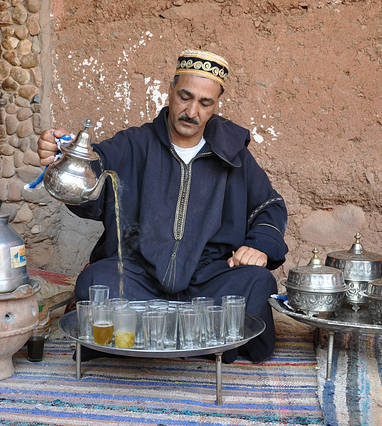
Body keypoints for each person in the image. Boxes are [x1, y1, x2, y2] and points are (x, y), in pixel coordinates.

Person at [37, 49, 287, 363]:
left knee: (258, 282)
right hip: (139, 277)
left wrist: (260, 246)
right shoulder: (134, 143)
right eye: (185, 96)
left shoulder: (233, 154)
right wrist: (64, 159)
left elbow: (270, 205)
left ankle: (149, 338)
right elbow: (93, 170)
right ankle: (202, 340)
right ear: (170, 90)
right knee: (96, 282)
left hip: (207, 283)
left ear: (215, 105)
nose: (192, 111)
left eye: (205, 103)